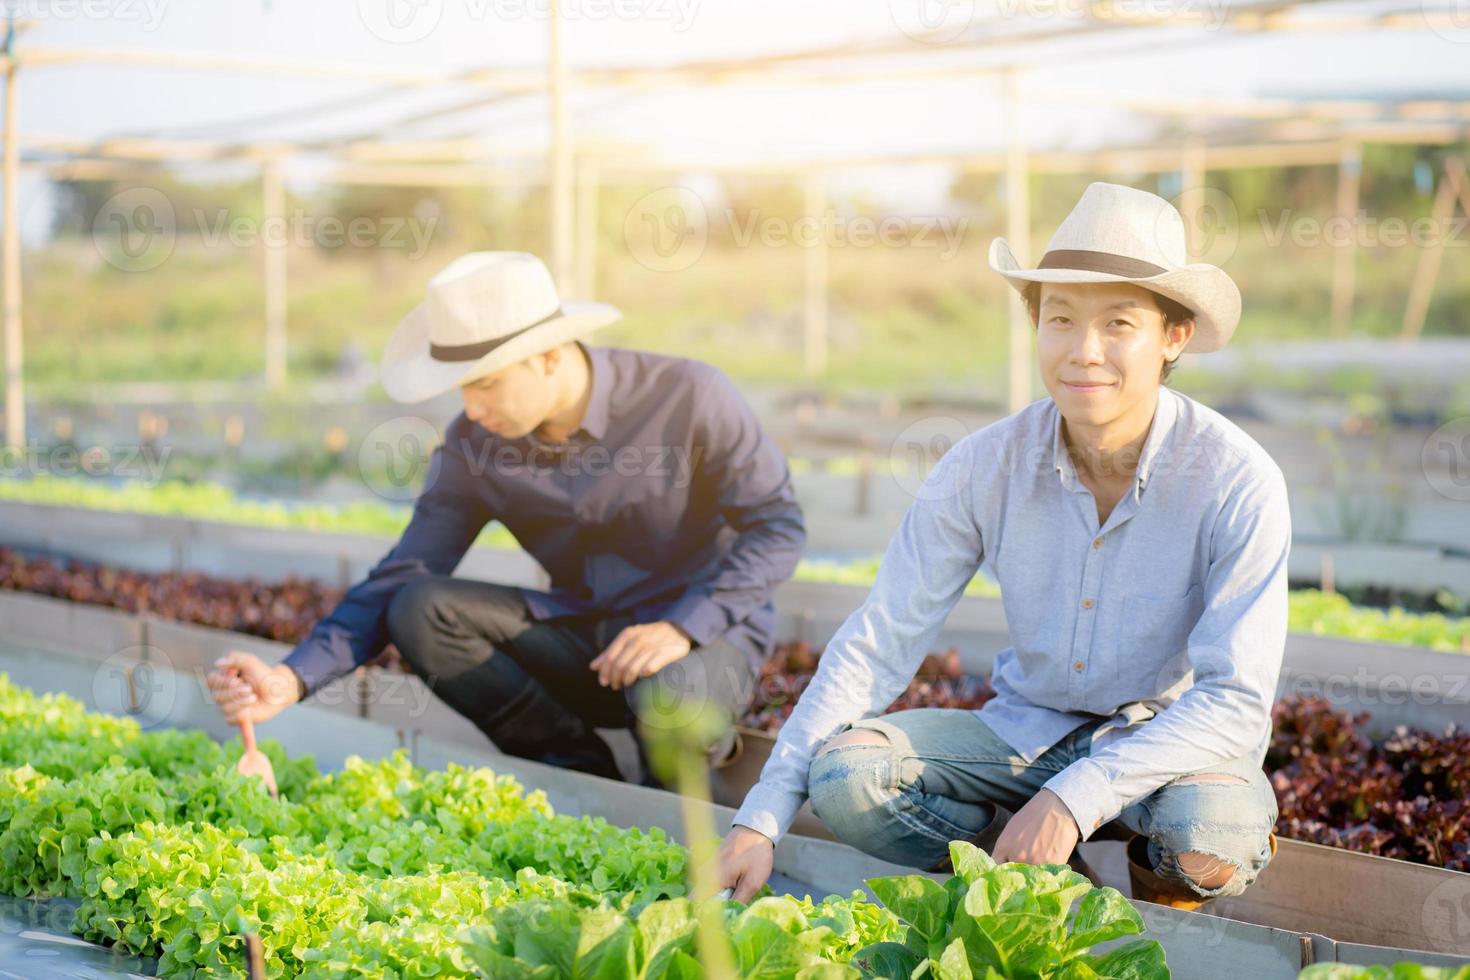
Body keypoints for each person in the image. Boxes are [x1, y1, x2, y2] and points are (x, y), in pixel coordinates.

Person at [717, 182, 1290, 903]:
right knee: (846, 777)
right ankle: (1040, 896)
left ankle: (1147, 913)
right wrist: (761, 817)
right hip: (1025, 735)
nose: (1084, 351)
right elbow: (880, 640)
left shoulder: (1235, 478)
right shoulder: (982, 466)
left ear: (1173, 336)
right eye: (1060, 319)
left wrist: (1076, 797)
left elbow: (1236, 701)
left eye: (1119, 323)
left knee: (1217, 836)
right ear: (1035, 324)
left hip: (1169, 750)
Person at [208, 251, 804, 782]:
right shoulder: (476, 444)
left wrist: (681, 625)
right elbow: (403, 572)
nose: (471, 407)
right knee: (417, 608)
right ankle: (586, 780)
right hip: (587, 640)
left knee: (675, 708)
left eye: (486, 384)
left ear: (548, 357)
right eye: (461, 388)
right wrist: (290, 679)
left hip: (704, 637)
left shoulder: (690, 396)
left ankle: (675, 810)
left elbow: (778, 526)